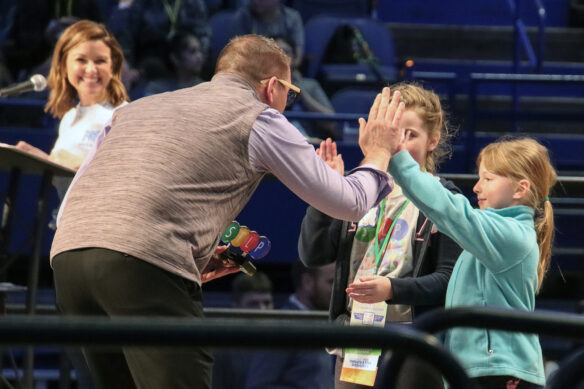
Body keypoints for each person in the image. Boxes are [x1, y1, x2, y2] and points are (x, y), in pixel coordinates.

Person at [50, 34, 400, 389]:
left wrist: (193, 254)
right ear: (272, 87)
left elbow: (71, 206)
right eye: (290, 94)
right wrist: (379, 152)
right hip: (141, 263)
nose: (287, 104)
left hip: (67, 261)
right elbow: (351, 203)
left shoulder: (131, 110)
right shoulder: (258, 116)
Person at [298, 83, 463, 388]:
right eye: (392, 133)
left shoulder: (444, 198)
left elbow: (448, 281)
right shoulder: (362, 190)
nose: (397, 144)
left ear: (433, 140)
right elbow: (313, 254)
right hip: (358, 336)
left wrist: (391, 289)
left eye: (410, 135)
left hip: (415, 340)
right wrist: (324, 195)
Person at [384, 131, 556, 388]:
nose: (477, 187)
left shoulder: (510, 235)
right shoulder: (499, 233)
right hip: (483, 370)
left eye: (488, 178)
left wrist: (398, 157)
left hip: (500, 372)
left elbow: (449, 209)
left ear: (521, 189)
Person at [15, 20, 128, 197]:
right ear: (63, 65)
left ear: (112, 66)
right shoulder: (69, 117)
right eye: (81, 60)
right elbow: (65, 180)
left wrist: (75, 162)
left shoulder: (123, 115)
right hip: (68, 221)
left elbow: (126, 178)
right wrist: (41, 160)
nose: (91, 69)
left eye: (100, 61)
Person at [243, 261, 336, 389]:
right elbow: (258, 385)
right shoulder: (280, 328)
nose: (339, 290)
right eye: (332, 282)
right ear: (307, 282)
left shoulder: (324, 323)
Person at [212, 271, 275, 389]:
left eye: (267, 303)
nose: (262, 310)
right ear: (237, 307)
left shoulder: (282, 344)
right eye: (253, 304)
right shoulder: (222, 350)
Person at [273, 35, 337, 140]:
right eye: (276, 52)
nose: (282, 56)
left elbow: (332, 124)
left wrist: (304, 96)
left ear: (294, 58)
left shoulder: (310, 85)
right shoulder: (259, 88)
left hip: (309, 146)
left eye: (286, 51)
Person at [231, 0, 304, 67]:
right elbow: (240, 55)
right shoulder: (243, 17)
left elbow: (297, 58)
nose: (256, 1)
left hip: (285, 68)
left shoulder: (292, 17)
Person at [140, 31, 206, 97]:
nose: (199, 56)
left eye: (200, 51)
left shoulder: (206, 89)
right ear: (175, 58)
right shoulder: (157, 89)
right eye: (192, 51)